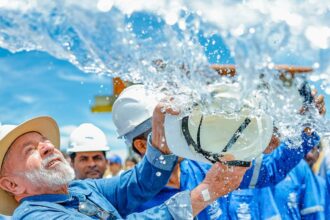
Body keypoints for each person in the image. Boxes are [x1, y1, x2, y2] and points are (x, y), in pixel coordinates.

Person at [112, 85, 322, 219]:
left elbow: (269, 170)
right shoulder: (129, 202)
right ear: (141, 145)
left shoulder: (202, 166)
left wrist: (305, 131)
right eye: (170, 127)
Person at [0, 115, 248, 219]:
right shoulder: (34, 215)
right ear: (11, 184)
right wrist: (201, 194)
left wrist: (160, 140)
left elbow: (139, 183)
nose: (47, 147)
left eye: (45, 141)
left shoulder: (82, 190)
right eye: (29, 149)